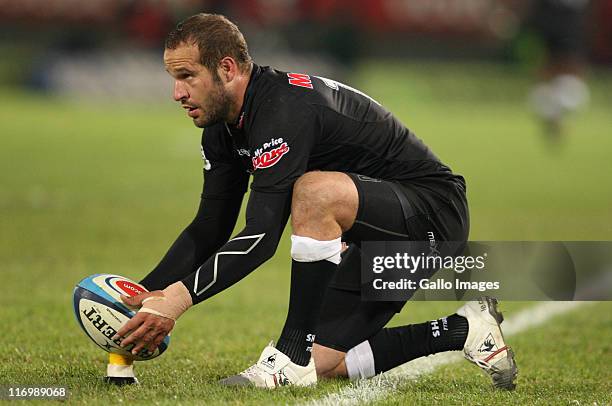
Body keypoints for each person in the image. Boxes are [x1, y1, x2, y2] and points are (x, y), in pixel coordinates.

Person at [106, 13, 517, 390]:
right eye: (173, 78)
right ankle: (463, 330)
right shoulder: (222, 129)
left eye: (187, 76)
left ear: (226, 69)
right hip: (374, 232)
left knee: (314, 193)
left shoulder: (282, 109)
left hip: (432, 215)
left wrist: (177, 299)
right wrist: (140, 296)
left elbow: (261, 238)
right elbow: (209, 228)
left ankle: (290, 356)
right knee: (330, 360)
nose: (177, 92)